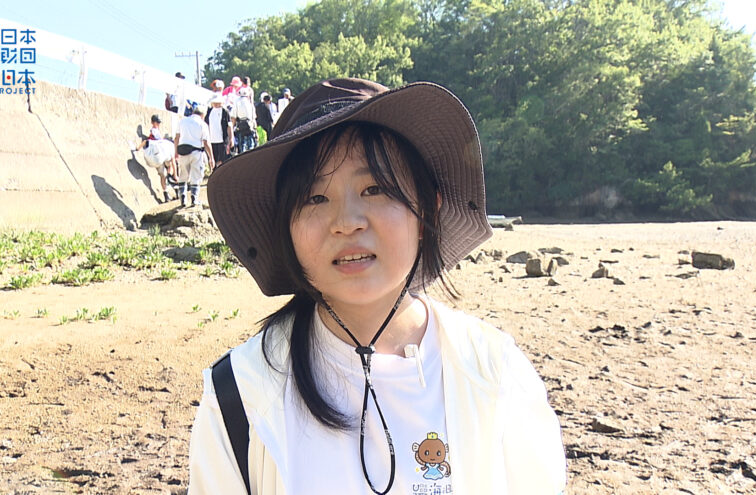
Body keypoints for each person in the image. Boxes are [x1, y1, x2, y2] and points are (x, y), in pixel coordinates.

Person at [190, 78, 567, 494]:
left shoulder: (496, 372)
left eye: (375, 189)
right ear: (286, 228)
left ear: (427, 210)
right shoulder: (240, 394)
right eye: (315, 198)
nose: (347, 221)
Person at [173, 105, 215, 208]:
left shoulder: (182, 121)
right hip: (196, 152)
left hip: (182, 151)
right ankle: (194, 199)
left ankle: (183, 198)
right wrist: (211, 157)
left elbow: (176, 138)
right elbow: (206, 142)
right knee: (196, 176)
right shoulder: (202, 124)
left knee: (183, 175)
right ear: (203, 115)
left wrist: (176, 152)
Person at [136, 114, 176, 203]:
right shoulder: (154, 132)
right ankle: (167, 191)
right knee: (164, 173)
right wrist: (137, 148)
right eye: (156, 122)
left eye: (158, 123)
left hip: (159, 156)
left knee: (164, 174)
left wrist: (137, 148)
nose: (158, 124)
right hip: (157, 156)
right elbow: (146, 141)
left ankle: (167, 193)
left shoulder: (154, 132)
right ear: (152, 122)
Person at [205, 94, 233, 167]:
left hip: (222, 140)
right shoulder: (209, 111)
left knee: (224, 160)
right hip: (212, 140)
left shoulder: (225, 112)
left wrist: (231, 139)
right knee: (213, 160)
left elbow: (229, 126)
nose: (216, 104)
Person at [231, 87, 257, 153]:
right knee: (251, 146)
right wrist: (255, 130)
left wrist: (232, 128)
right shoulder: (250, 103)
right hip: (250, 126)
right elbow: (254, 118)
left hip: (241, 126)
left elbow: (233, 117)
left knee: (242, 146)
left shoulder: (237, 102)